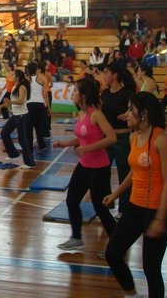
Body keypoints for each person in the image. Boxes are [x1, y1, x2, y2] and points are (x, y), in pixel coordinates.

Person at [104, 92, 167, 298]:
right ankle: (132, 293)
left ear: (143, 114)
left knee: (151, 269)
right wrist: (115, 194)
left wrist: (160, 219)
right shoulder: (134, 136)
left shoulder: (161, 139)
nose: (126, 113)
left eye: (130, 109)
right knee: (113, 253)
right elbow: (134, 173)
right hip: (135, 207)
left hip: (158, 210)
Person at [53, 78, 117, 251]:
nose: (72, 94)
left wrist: (87, 148)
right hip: (84, 165)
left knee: (100, 208)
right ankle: (76, 238)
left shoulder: (95, 114)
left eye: (75, 91)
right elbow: (83, 137)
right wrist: (66, 144)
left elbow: (111, 137)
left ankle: (117, 244)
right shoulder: (80, 113)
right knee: (72, 200)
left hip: (99, 168)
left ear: (84, 95)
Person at [101, 63, 136, 217]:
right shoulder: (105, 94)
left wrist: (127, 114)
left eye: (106, 73)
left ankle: (124, 208)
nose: (104, 76)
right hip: (108, 139)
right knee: (103, 172)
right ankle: (107, 203)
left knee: (124, 173)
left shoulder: (127, 93)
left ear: (114, 75)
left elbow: (133, 110)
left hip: (123, 138)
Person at [0, 70, 35, 169]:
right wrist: (2, 106)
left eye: (13, 74)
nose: (11, 75)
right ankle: (13, 154)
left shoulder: (22, 87)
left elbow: (20, 101)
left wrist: (10, 102)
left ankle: (29, 163)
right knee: (4, 133)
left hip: (22, 116)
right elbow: (13, 102)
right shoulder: (14, 87)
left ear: (18, 77)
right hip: (15, 115)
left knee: (23, 140)